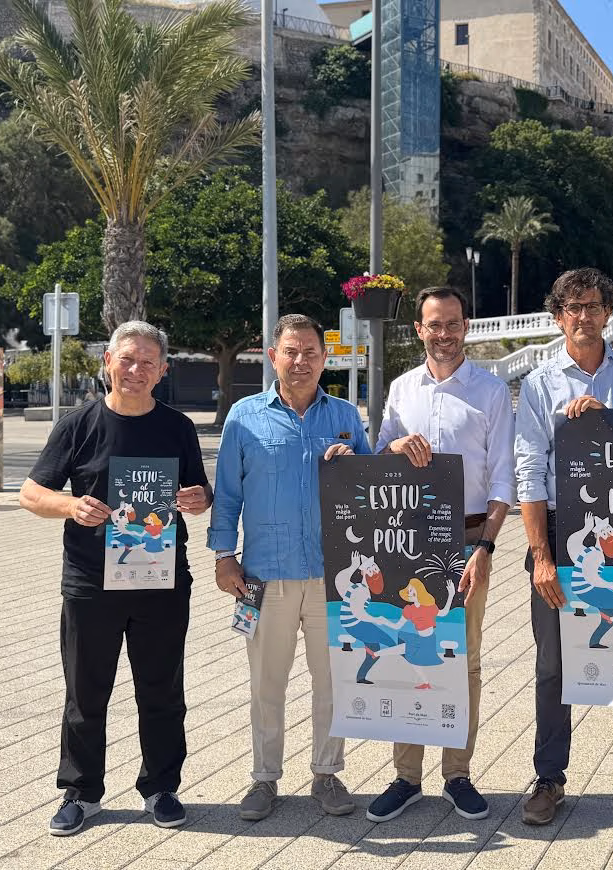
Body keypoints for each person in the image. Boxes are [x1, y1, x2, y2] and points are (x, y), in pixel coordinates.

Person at [20, 321, 211, 836]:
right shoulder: (77, 424)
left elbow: (199, 492)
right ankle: (81, 793)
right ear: (108, 360)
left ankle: (162, 788)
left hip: (163, 581)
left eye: (148, 362)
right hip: (90, 582)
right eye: (127, 359)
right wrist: (69, 505)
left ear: (163, 371)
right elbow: (31, 494)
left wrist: (199, 500)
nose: (136, 370)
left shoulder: (178, 427)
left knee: (162, 689)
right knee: (86, 691)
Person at [515, 267, 613, 828]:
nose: (584, 316)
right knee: (553, 665)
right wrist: (540, 555)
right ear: (558, 317)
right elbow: (529, 470)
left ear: (609, 312)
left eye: (593, 305)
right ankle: (550, 778)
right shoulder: (538, 384)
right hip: (562, 528)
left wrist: (612, 423)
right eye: (572, 307)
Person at [209, 313, 373, 822]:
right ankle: (264, 778)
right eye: (291, 351)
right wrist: (223, 555)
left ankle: (327, 773)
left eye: (310, 353)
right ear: (271, 354)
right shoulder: (244, 416)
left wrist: (357, 465)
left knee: (333, 681)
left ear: (326, 359)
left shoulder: (346, 415)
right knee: (266, 683)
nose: (300, 362)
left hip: (334, 578)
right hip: (264, 575)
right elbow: (229, 492)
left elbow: (374, 492)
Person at [368, 286, 514, 823]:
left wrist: (484, 548)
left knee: (463, 661)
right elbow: (377, 454)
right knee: (407, 652)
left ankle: (458, 773)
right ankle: (406, 776)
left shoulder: (491, 392)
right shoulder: (402, 389)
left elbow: (504, 480)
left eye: (453, 323)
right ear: (420, 330)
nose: (445, 334)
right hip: (405, 538)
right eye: (435, 324)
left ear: (466, 327)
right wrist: (393, 447)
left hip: (469, 538)